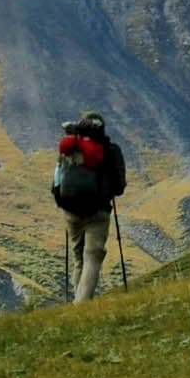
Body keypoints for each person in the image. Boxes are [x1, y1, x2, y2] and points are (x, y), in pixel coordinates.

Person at [52, 111, 127, 302]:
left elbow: (57, 179)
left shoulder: (71, 148)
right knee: (92, 257)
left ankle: (79, 302)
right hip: (98, 212)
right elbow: (119, 187)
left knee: (78, 259)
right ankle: (81, 306)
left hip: (71, 212)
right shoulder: (110, 150)